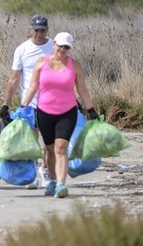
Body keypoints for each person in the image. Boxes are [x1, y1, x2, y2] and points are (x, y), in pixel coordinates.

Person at [20, 32, 98, 198]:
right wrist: (23, 107)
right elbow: (33, 86)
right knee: (49, 149)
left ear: (69, 48)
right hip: (44, 112)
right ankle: (54, 181)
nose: (62, 49)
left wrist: (90, 109)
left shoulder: (75, 65)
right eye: (60, 45)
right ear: (53, 44)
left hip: (67, 112)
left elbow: (82, 89)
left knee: (60, 148)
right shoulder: (41, 63)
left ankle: (62, 184)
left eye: (66, 47)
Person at [0, 14, 53, 189]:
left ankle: (45, 172)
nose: (39, 33)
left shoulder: (53, 47)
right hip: (28, 104)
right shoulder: (22, 49)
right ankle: (32, 175)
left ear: (47, 30)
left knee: (48, 142)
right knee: (30, 142)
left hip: (51, 103)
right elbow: (14, 79)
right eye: (36, 30)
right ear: (30, 29)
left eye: (42, 30)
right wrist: (5, 103)